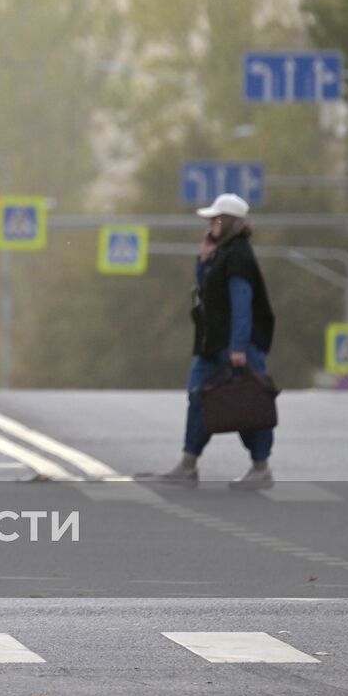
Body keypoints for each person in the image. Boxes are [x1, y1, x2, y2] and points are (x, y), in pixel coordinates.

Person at [140, 193, 276, 489]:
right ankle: (187, 466)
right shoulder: (222, 254)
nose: (211, 225)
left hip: (237, 346)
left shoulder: (239, 255)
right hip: (213, 344)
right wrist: (204, 260)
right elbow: (206, 292)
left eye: (216, 219)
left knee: (249, 404)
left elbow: (242, 303)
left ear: (229, 222)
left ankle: (261, 468)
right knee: (198, 397)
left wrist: (239, 348)